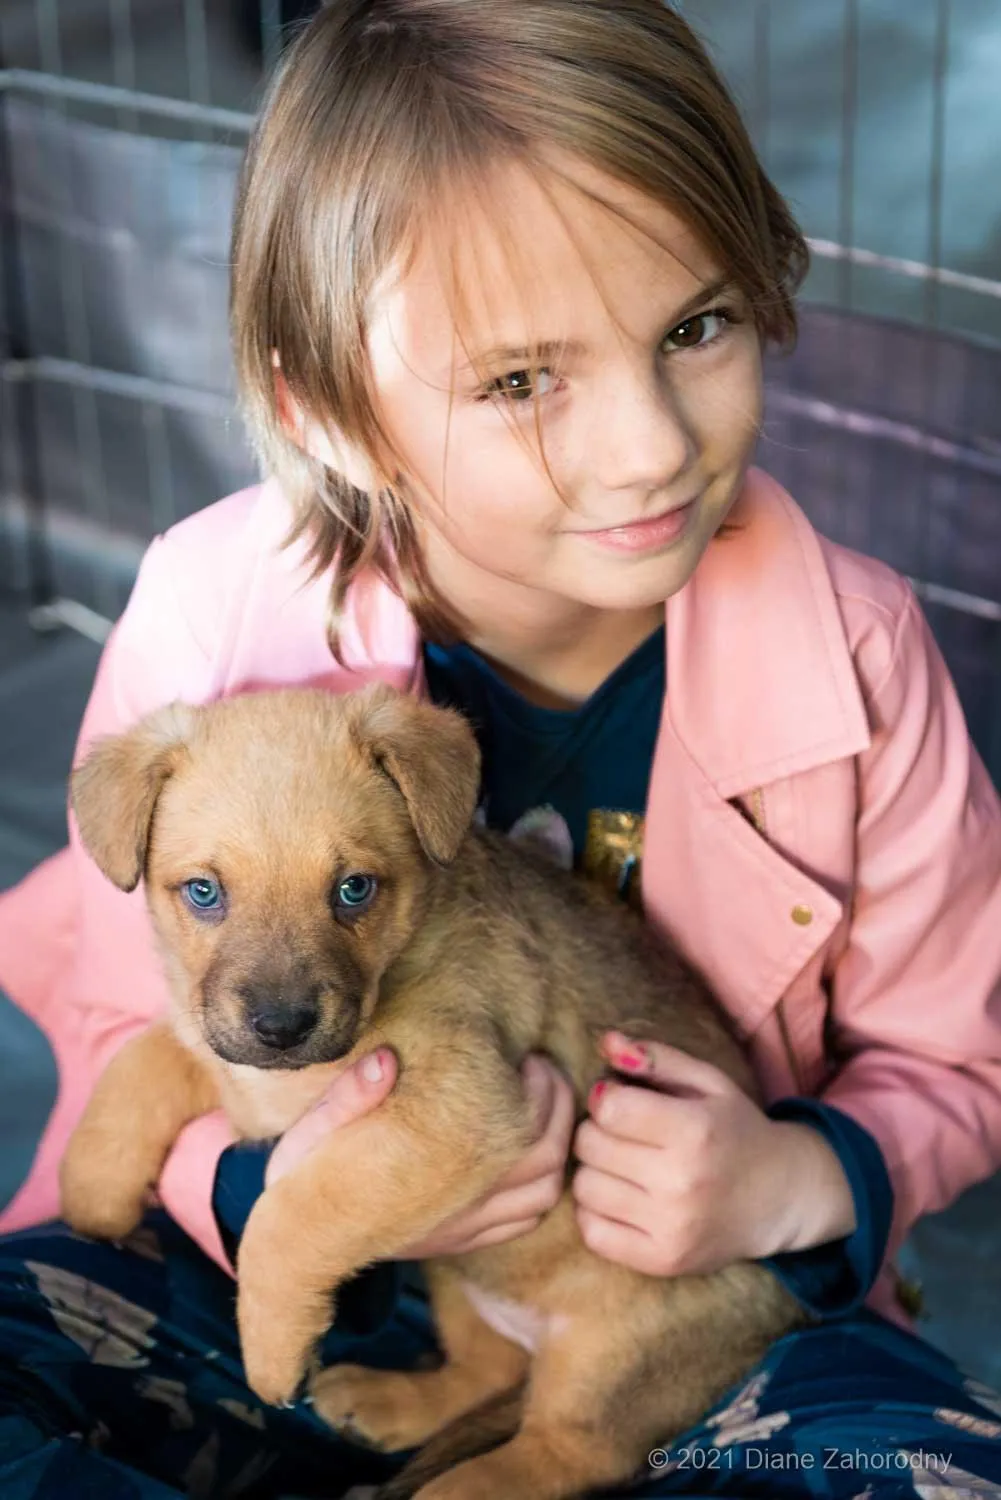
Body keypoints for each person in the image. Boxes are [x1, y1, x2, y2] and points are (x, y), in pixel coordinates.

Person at [2, 2, 1001, 1495]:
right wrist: (261, 1196)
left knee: (927, 1473)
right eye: (522, 379)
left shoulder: (857, 650)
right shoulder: (207, 617)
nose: (651, 447)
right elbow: (114, 1007)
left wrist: (800, 1179)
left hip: (688, 1278)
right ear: (323, 407)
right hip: (240, 1241)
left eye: (695, 327)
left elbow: (959, 1052)